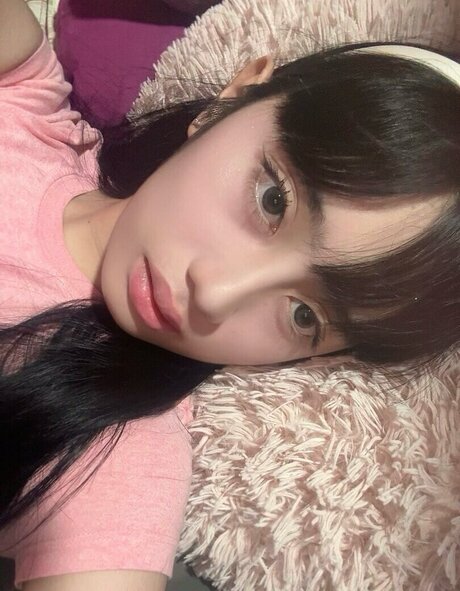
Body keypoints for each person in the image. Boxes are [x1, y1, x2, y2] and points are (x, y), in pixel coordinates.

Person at [0, 0, 458, 589]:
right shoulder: (24, 98)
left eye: (304, 316)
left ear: (322, 359)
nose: (215, 295)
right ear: (233, 98)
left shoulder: (114, 458)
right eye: (273, 200)